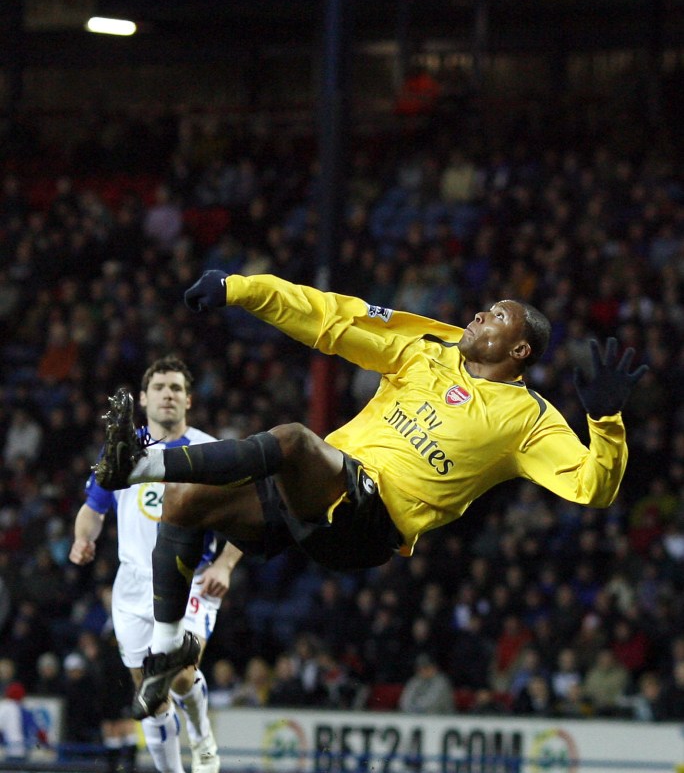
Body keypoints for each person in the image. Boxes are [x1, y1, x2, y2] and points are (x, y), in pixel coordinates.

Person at [94, 270, 648, 719]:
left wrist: (606, 420)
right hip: (317, 492)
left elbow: (592, 488)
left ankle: (138, 463)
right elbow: (334, 318)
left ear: (521, 348)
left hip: (368, 523)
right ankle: (167, 648)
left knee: (291, 439)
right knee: (184, 505)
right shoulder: (429, 346)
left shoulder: (529, 421)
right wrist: (242, 289)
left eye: (498, 315)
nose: (481, 314)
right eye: (487, 307)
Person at [70, 356, 243, 773]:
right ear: (144, 398)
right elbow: (94, 508)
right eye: (161, 387)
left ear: (188, 400)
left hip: (191, 581)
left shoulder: (210, 451)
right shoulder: (122, 451)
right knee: (149, 698)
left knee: (179, 673)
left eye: (177, 388)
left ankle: (202, 738)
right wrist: (82, 538)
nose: (169, 394)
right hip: (132, 587)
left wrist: (225, 564)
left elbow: (245, 515)